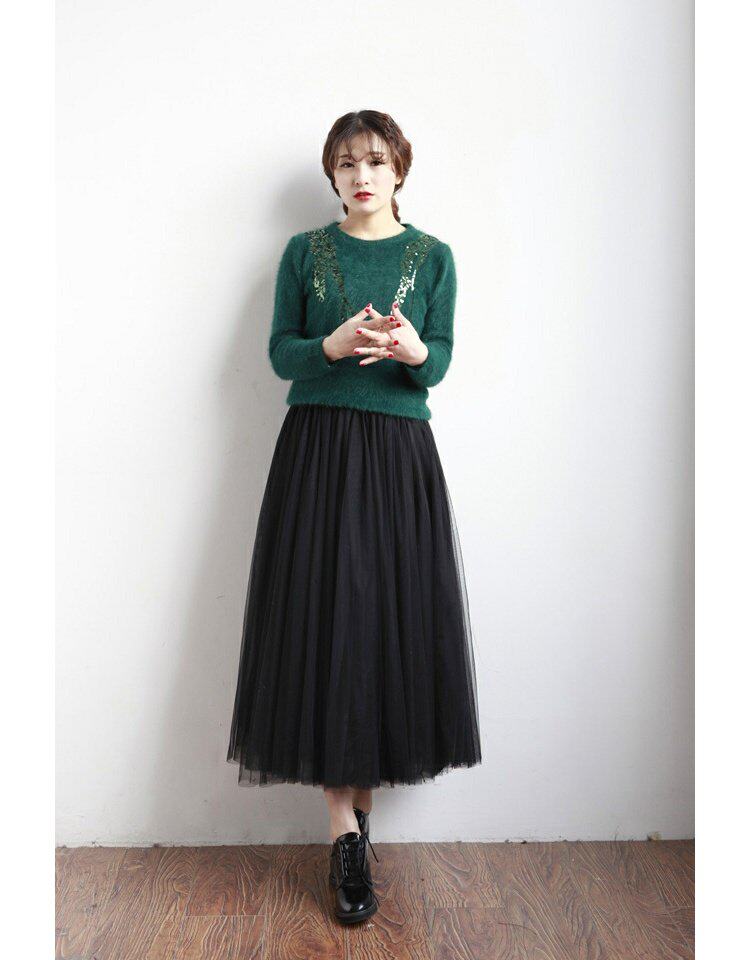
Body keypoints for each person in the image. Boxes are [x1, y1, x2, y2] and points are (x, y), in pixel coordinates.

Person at [226, 109, 482, 924]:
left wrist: (415, 354)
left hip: (399, 456)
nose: (361, 175)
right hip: (319, 451)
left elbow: (438, 361)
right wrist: (331, 348)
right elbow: (281, 353)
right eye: (346, 163)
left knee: (382, 628)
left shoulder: (433, 257)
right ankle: (344, 834)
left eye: (374, 160)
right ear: (331, 174)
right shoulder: (304, 253)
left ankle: (354, 829)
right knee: (326, 622)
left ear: (399, 168)